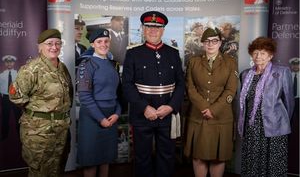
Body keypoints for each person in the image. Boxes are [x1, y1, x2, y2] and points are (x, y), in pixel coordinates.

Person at [122, 11, 185, 177]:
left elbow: (180, 84)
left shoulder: (173, 53)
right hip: (142, 114)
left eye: (157, 27)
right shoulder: (133, 53)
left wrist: (171, 107)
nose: (153, 30)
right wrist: (144, 108)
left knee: (167, 156)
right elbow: (127, 85)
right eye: (149, 26)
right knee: (142, 158)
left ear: (163, 30)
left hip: (167, 114)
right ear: (143, 28)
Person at [9, 29, 73, 177]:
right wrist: (36, 112)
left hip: (61, 129)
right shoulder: (31, 69)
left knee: (57, 169)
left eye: (58, 43)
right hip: (39, 132)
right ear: (40, 47)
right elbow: (16, 96)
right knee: (40, 172)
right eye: (49, 43)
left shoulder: (62, 67)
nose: (54, 47)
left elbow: (69, 93)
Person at [184, 27, 238, 177]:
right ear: (202, 43)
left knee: (218, 158)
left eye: (214, 41)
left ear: (220, 43)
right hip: (198, 115)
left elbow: (230, 90)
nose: (210, 44)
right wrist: (204, 107)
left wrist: (213, 110)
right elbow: (190, 88)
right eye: (207, 41)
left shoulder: (230, 62)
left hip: (221, 116)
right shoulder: (193, 62)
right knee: (198, 157)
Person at [238, 37, 294, 177]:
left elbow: (289, 103)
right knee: (252, 164)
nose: (258, 56)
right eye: (255, 52)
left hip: (274, 128)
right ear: (251, 54)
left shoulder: (282, 72)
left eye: (263, 53)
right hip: (252, 129)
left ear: (271, 55)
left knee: (273, 167)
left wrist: (282, 123)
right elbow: (245, 103)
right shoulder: (245, 74)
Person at [76, 28, 121, 177]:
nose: (103, 44)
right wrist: (101, 119)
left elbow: (117, 95)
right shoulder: (86, 65)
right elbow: (84, 97)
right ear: (92, 44)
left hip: (111, 118)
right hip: (92, 118)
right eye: (99, 42)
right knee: (91, 161)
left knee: (105, 160)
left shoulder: (113, 64)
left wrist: (117, 113)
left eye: (106, 41)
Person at [0, 55, 21, 140]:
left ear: (14, 63)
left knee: (18, 117)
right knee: (5, 117)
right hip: (5, 98)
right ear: (5, 63)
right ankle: (4, 135)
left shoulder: (18, 74)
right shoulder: (1, 75)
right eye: (7, 62)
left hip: (16, 97)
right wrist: (3, 95)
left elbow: (20, 85)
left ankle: (20, 135)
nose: (9, 63)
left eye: (11, 62)